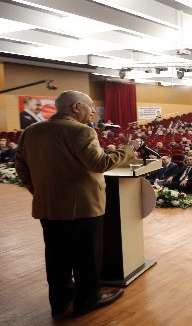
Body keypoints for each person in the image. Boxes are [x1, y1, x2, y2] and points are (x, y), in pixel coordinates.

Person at [15, 90, 137, 317]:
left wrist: (38, 190)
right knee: (87, 257)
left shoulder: (31, 131)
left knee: (56, 256)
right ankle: (88, 300)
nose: (92, 110)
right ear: (75, 107)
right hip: (83, 207)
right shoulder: (81, 131)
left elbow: (21, 167)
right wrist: (127, 150)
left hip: (48, 206)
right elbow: (99, 163)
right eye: (90, 106)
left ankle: (60, 301)